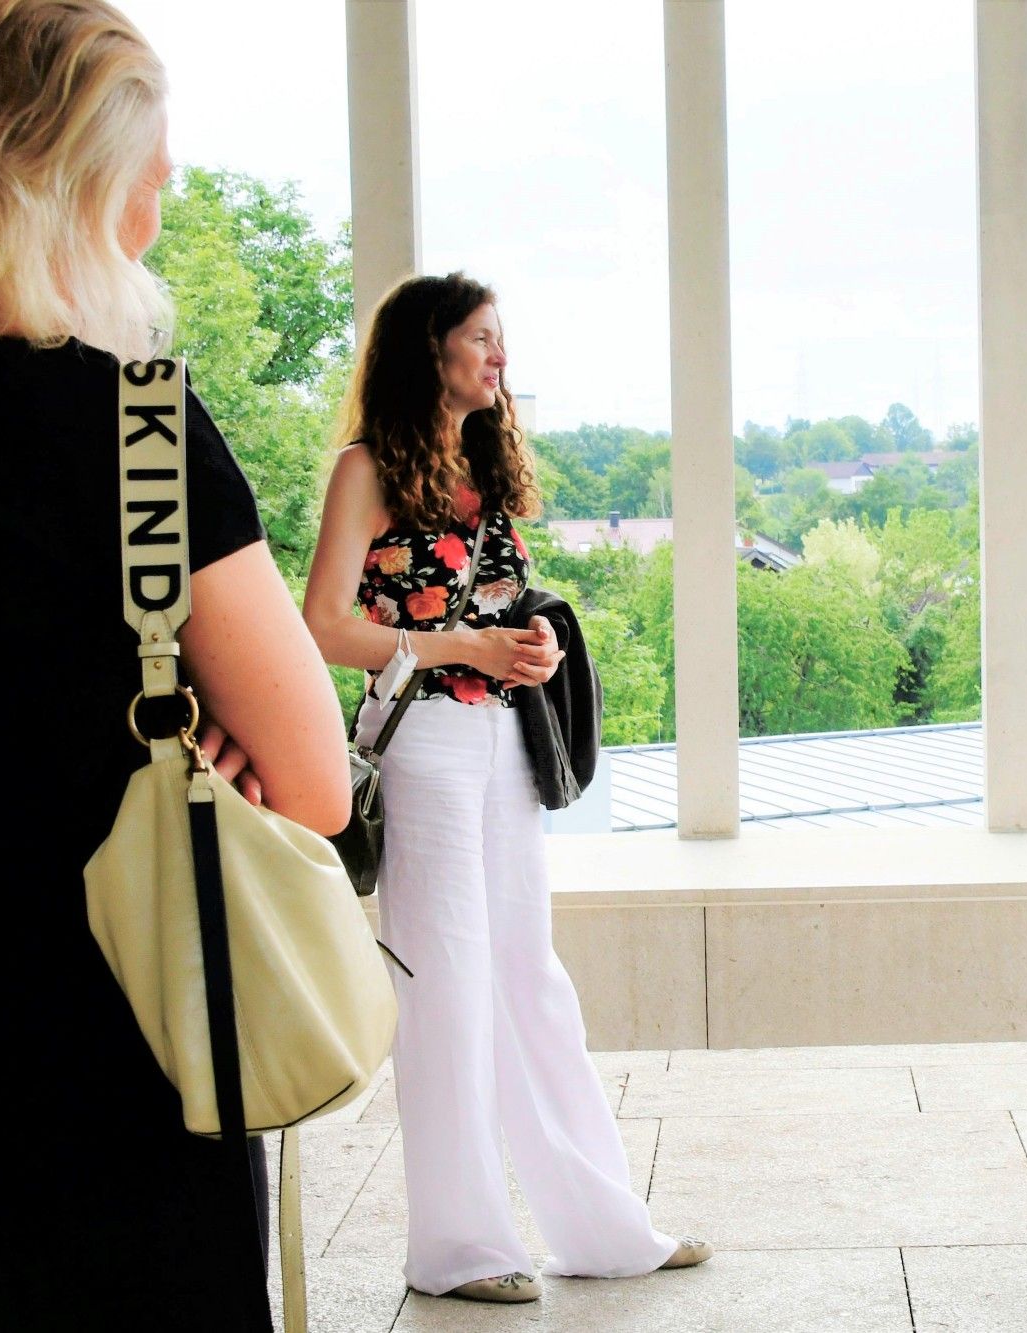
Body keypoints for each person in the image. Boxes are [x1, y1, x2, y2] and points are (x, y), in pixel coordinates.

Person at [0, 1, 352, 1328]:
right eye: (144, 158)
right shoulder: (133, 431)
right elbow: (313, 784)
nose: (165, 183)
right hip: (111, 1061)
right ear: (55, 182)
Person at [301, 273, 709, 1304]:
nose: (500, 358)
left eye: (500, 340)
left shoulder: (479, 460)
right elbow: (325, 625)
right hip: (425, 742)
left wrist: (521, 645)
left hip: (503, 740)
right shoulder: (364, 468)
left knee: (529, 978)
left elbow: (485, 600)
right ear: (426, 349)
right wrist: (462, 641)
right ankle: (460, 1249)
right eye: (482, 339)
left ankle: (602, 1228)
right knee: (444, 988)